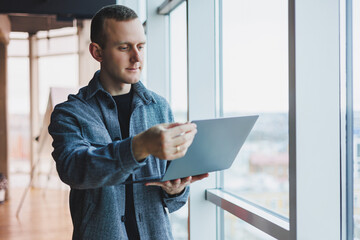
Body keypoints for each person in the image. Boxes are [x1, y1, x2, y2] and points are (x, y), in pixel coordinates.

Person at [48, 4, 208, 240]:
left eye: (141, 46)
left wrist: (177, 189)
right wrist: (139, 146)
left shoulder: (159, 107)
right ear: (97, 52)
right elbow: (73, 169)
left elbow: (173, 200)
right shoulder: (70, 113)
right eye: (124, 47)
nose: (137, 57)